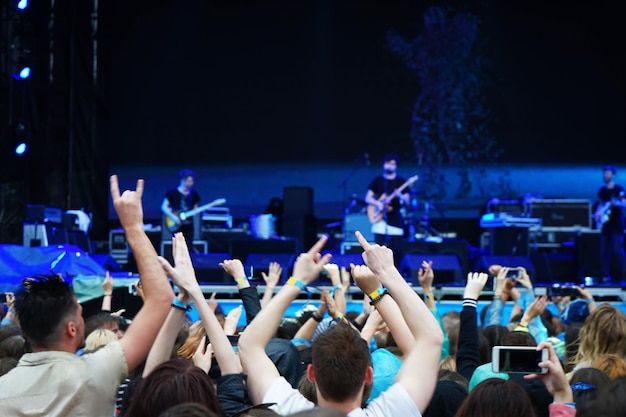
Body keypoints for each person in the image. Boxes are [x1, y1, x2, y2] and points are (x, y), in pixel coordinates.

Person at [0, 175, 174, 416]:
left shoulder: (3, 389)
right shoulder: (97, 371)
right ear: (72, 328)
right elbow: (162, 299)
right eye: (81, 313)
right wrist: (133, 228)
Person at [238, 231, 444, 416]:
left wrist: (297, 281)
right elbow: (431, 338)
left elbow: (249, 346)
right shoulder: (392, 413)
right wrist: (386, 272)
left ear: (311, 373)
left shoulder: (287, 410)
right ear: (368, 375)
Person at [364, 153, 417, 266]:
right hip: (379, 219)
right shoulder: (378, 180)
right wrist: (377, 203)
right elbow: (368, 198)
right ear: (384, 165)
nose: (390, 166)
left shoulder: (401, 181)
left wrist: (400, 196)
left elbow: (407, 201)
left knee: (397, 249)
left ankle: (395, 273)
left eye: (393, 164)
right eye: (388, 163)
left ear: (396, 166)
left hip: (395, 219)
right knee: (378, 248)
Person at [593, 164, 626, 284]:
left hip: (616, 225)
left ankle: (622, 276)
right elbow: (601, 206)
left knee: (617, 251)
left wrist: (617, 204)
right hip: (605, 225)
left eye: (608, 173)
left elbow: (624, 204)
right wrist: (597, 215)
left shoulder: (619, 190)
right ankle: (605, 276)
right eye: (604, 173)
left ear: (613, 175)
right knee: (602, 251)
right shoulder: (602, 191)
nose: (605, 175)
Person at [162, 169, 201, 242]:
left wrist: (196, 212)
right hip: (176, 223)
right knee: (177, 245)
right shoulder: (172, 192)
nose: (192, 183)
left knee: (189, 246)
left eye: (192, 181)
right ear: (183, 181)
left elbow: (195, 208)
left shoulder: (194, 194)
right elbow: (164, 207)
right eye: (189, 181)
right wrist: (174, 217)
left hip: (188, 225)